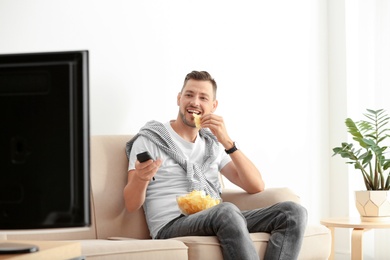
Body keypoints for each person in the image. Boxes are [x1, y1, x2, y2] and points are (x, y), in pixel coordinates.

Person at [124, 71, 307, 260]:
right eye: (189, 95)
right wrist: (141, 178)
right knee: (226, 210)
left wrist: (227, 142)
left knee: (293, 212)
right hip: (170, 224)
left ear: (213, 106)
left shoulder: (212, 144)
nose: (195, 102)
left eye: (203, 98)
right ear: (179, 99)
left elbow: (255, 185)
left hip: (216, 217)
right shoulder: (151, 139)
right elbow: (131, 204)